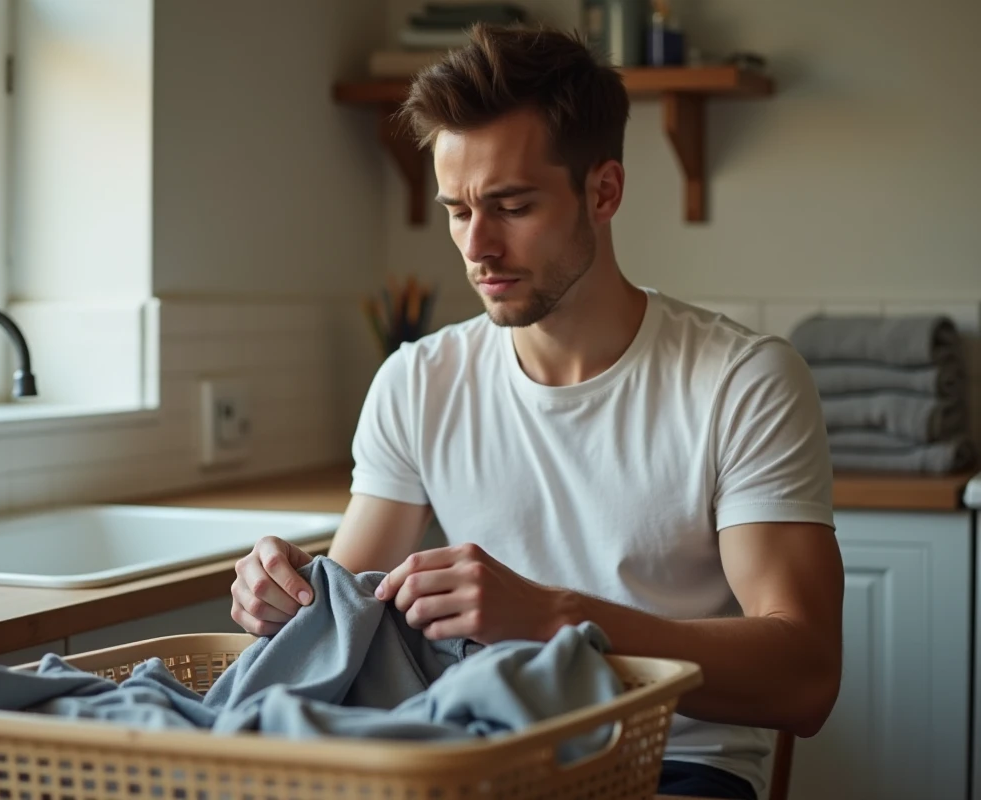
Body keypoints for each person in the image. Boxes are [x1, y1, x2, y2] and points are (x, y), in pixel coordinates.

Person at [231, 23, 843, 800]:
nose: (476, 246)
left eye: (511, 206)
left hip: (671, 767)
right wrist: (283, 599)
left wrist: (554, 617)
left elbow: (806, 677)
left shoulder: (744, 382)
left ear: (604, 191)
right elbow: (344, 614)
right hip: (472, 748)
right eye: (457, 210)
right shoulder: (418, 381)